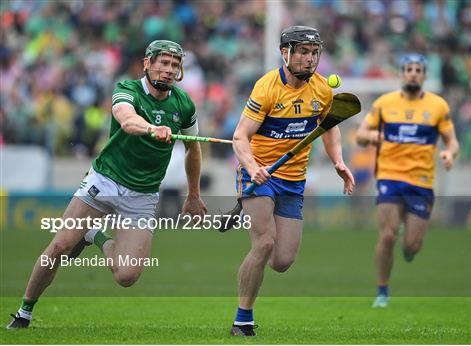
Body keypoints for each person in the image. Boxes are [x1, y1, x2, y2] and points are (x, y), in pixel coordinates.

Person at [6, 40, 207, 329]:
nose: (169, 70)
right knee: (60, 247)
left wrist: (194, 194)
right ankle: (25, 311)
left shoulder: (184, 104)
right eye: (163, 63)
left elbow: (193, 148)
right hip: (105, 180)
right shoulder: (126, 89)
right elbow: (127, 120)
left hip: (143, 194)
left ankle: (94, 236)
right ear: (147, 63)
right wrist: (153, 128)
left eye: (175, 65)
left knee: (126, 276)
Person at [229, 26, 354, 336]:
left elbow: (330, 127)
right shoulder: (266, 88)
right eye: (302, 52)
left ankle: (247, 216)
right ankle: (242, 319)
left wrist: (338, 160)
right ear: (285, 53)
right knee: (265, 242)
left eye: (314, 53)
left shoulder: (323, 90)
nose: (309, 59)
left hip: (293, 180)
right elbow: (240, 136)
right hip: (259, 173)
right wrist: (252, 166)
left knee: (282, 261)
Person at [356, 54, 459, 308]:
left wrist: (449, 153)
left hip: (421, 180)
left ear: (424, 75)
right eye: (408, 69)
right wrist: (374, 136)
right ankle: (382, 292)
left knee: (412, 245)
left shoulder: (438, 106)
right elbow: (360, 135)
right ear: (401, 74)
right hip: (389, 176)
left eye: (418, 69)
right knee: (388, 235)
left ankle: (409, 247)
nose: (413, 73)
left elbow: (452, 140)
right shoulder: (384, 104)